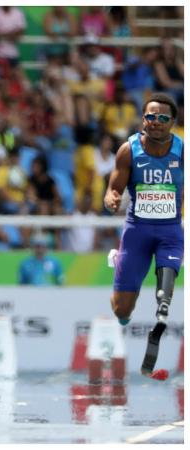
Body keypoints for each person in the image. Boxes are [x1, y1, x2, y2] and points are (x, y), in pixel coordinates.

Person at [104, 93, 183, 376]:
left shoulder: (183, 151)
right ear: (143, 119)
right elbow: (113, 189)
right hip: (137, 231)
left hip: (170, 230)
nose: (157, 122)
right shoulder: (129, 150)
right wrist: (112, 199)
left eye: (163, 118)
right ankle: (120, 266)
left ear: (172, 122)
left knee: (166, 282)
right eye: (151, 116)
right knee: (121, 310)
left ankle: (163, 303)